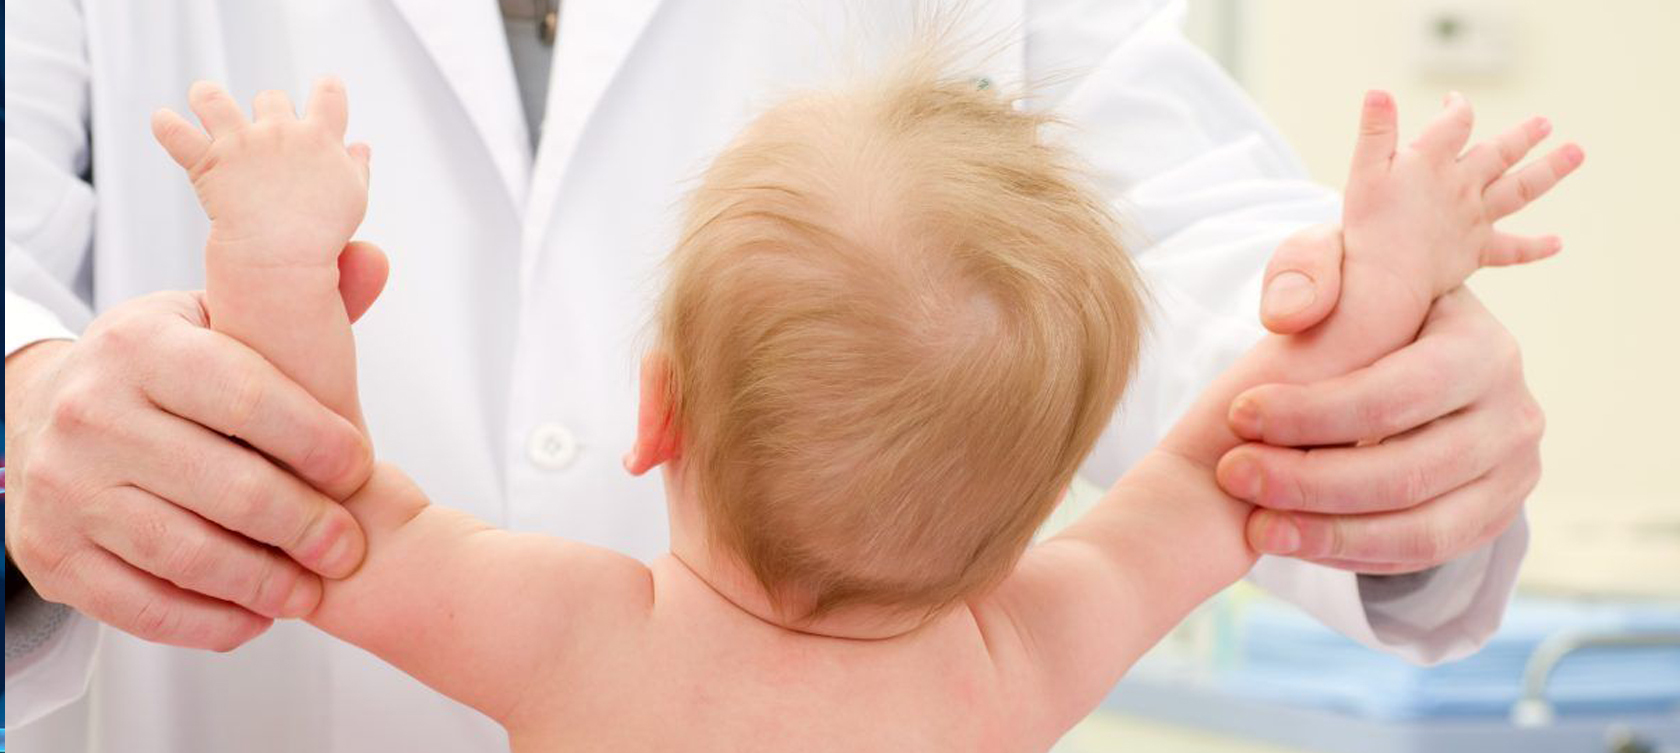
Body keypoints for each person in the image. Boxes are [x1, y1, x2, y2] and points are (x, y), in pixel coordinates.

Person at [3, 2, 1550, 749]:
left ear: (655, 411)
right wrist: (1383, 288)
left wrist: (277, 255)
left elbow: (316, 506)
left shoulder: (582, 643)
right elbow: (1230, 461)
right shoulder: (1011, 662)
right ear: (1019, 504)